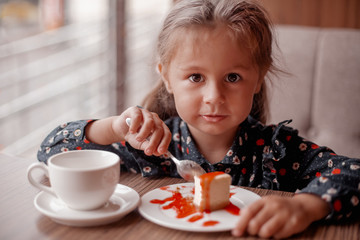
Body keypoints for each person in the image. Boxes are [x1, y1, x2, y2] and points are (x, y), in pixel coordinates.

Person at [37, 0, 360, 238]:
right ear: (166, 77)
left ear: (258, 78)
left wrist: (305, 207)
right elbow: (50, 153)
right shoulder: (149, 145)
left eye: (232, 77)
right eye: (195, 77)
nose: (214, 96)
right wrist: (113, 128)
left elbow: (353, 172)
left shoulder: (278, 151)